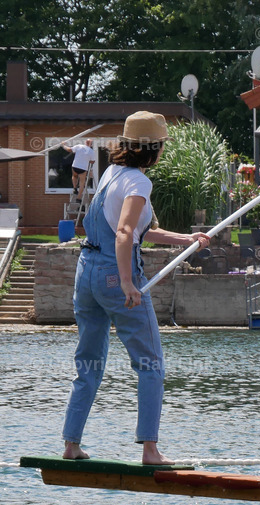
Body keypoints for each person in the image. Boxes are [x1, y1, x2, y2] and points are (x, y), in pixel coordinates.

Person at [61, 112, 211, 464]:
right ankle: (150, 449)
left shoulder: (113, 174)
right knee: (150, 364)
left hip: (87, 274)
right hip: (116, 276)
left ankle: (71, 444)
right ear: (154, 149)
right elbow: (125, 233)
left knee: (90, 362)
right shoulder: (140, 184)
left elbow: (139, 230)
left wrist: (186, 239)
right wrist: (128, 283)